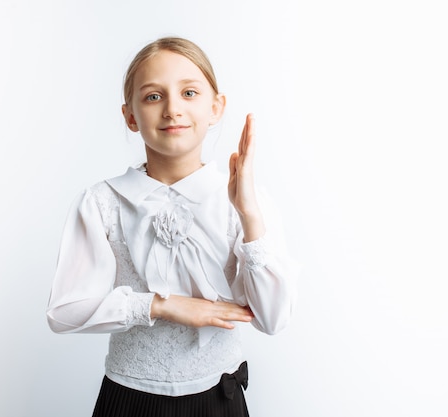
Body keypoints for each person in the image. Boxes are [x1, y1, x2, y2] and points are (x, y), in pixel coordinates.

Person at [46, 37, 297, 417]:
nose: (173, 109)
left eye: (189, 92)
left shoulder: (249, 202)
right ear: (130, 116)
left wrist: (248, 214)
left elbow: (273, 319)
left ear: (216, 108)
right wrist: (161, 305)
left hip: (219, 399)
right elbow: (64, 312)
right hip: (128, 399)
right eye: (152, 97)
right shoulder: (102, 202)